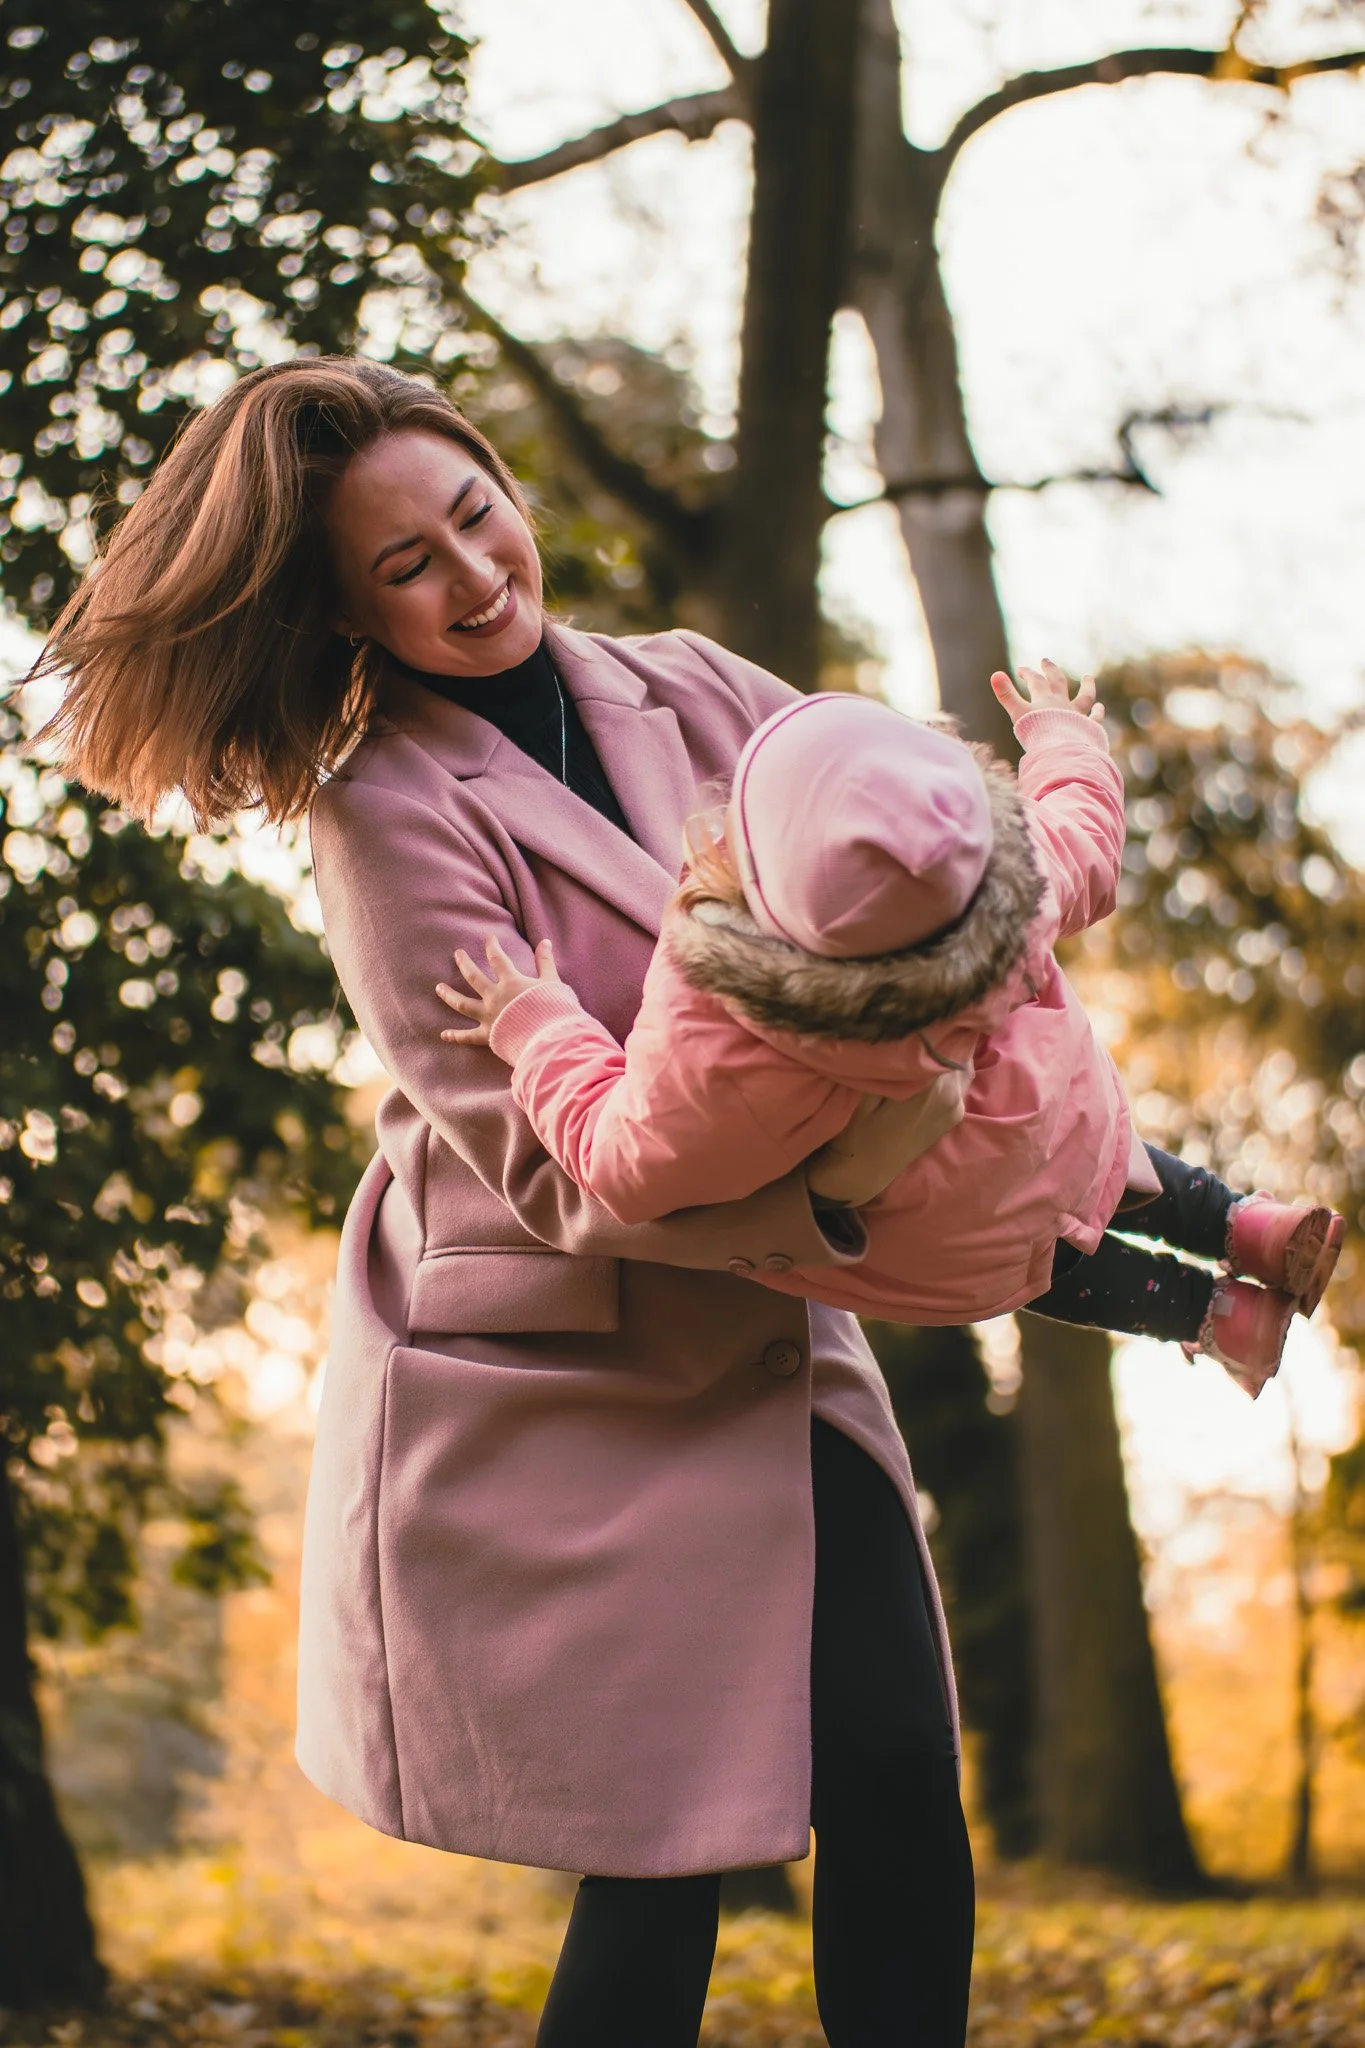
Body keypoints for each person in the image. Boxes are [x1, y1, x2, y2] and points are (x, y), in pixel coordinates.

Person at [31, 355, 974, 2048]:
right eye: (409, 567)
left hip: (780, 1327)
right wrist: (853, 1204)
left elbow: (914, 857)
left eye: (478, 516)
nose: (475, 578)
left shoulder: (695, 689)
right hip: (572, 1369)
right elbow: (549, 1156)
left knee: (902, 1765)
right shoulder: (384, 809)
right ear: (346, 613)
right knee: (664, 1855)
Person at [437, 665, 1343, 1397]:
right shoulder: (1011, 881)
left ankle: (1214, 1316)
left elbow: (621, 1160)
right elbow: (1083, 838)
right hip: (1060, 1119)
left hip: (963, 1231)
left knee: (1051, 1265)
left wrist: (536, 1026)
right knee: (1107, 1160)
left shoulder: (737, 1029)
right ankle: (1248, 1224)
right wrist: (1063, 736)